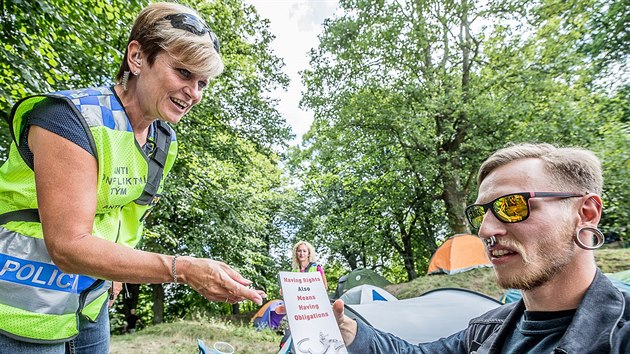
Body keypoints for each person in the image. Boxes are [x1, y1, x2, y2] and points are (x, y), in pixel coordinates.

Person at [0, 3, 265, 353]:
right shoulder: (68, 120)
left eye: (202, 83)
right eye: (184, 73)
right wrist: (181, 269)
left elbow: (127, 219)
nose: (195, 93)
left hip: (91, 304)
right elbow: (68, 246)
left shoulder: (161, 141)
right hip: (20, 310)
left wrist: (117, 271)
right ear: (137, 57)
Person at [332, 143, 630, 353]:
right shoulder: (487, 330)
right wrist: (347, 329)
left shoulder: (621, 335)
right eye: (481, 213)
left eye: (511, 205)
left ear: (586, 213)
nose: (486, 229)